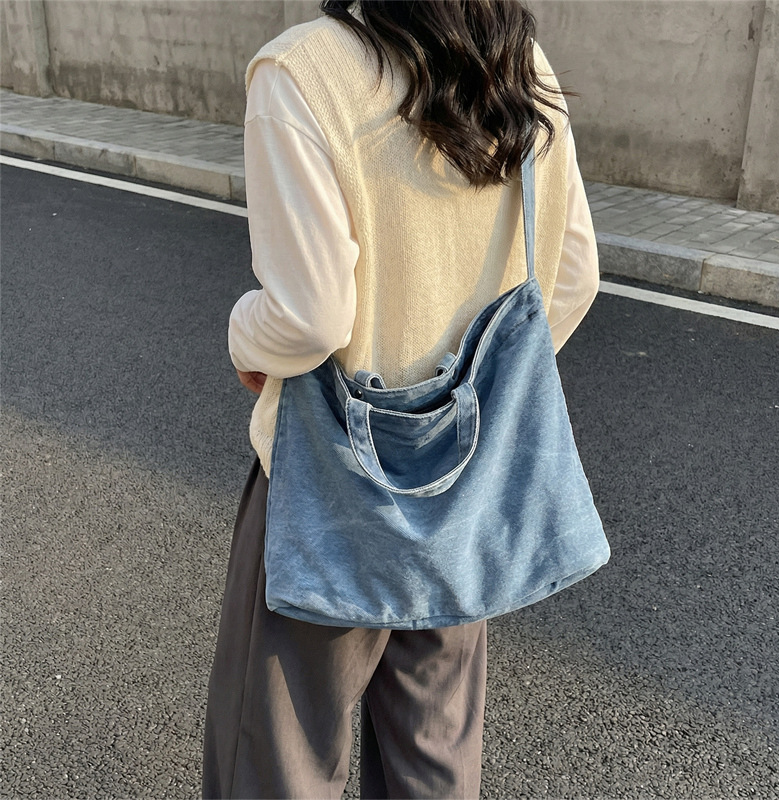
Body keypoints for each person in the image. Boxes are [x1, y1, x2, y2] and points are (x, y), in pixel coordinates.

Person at [203, 1, 599, 797]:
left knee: (278, 761)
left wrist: (245, 337)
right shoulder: (516, 61)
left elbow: (311, 317)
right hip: (467, 490)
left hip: (324, 486)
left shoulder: (302, 71)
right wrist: (479, 394)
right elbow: (573, 274)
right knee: (433, 760)